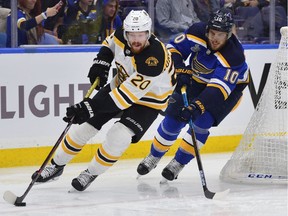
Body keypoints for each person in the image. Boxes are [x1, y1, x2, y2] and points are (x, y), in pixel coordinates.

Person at [31, 10, 176, 192]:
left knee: (119, 136)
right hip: (122, 84)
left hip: (150, 100)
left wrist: (89, 107)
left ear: (148, 34)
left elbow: (124, 98)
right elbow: (109, 44)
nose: (136, 39)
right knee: (84, 126)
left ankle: (91, 173)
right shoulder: (121, 34)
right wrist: (102, 61)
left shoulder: (154, 58)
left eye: (140, 35)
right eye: (132, 35)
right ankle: (56, 166)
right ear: (126, 32)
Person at [137, 8, 250, 181]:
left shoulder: (234, 56)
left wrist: (197, 107)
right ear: (207, 30)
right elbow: (173, 48)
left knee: (201, 122)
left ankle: (179, 162)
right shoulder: (197, 32)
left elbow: (217, 90)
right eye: (212, 32)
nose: (215, 38)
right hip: (196, 78)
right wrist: (180, 69)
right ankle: (154, 155)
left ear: (228, 35)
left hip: (228, 90)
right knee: (173, 117)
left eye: (220, 34)